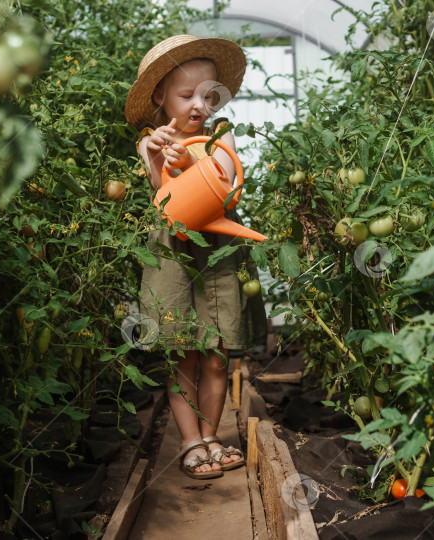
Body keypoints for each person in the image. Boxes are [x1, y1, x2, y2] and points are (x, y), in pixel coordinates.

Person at [125, 35, 268, 480]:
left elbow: (224, 178)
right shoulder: (151, 141)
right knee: (181, 351)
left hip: (218, 254)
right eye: (186, 95)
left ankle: (212, 436)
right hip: (173, 253)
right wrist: (157, 161)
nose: (197, 106)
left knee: (216, 353)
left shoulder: (219, 134)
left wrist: (189, 161)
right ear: (159, 97)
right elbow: (160, 197)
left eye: (207, 96)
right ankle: (189, 441)